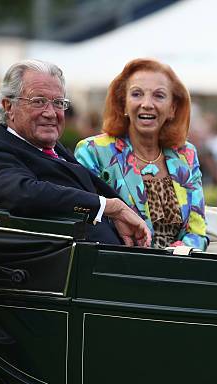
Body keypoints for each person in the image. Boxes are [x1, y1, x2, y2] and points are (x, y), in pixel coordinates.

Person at [0, 59, 151, 247]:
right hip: (72, 267)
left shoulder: (55, 148)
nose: (51, 113)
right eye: (38, 101)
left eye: (58, 103)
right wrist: (107, 207)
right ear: (9, 106)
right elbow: (24, 194)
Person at [75, 58, 207, 249]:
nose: (147, 104)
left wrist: (178, 254)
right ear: (123, 104)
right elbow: (87, 221)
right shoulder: (93, 151)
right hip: (116, 266)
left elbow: (198, 232)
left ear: (172, 108)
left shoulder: (186, 154)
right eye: (137, 94)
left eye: (159, 96)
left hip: (177, 269)